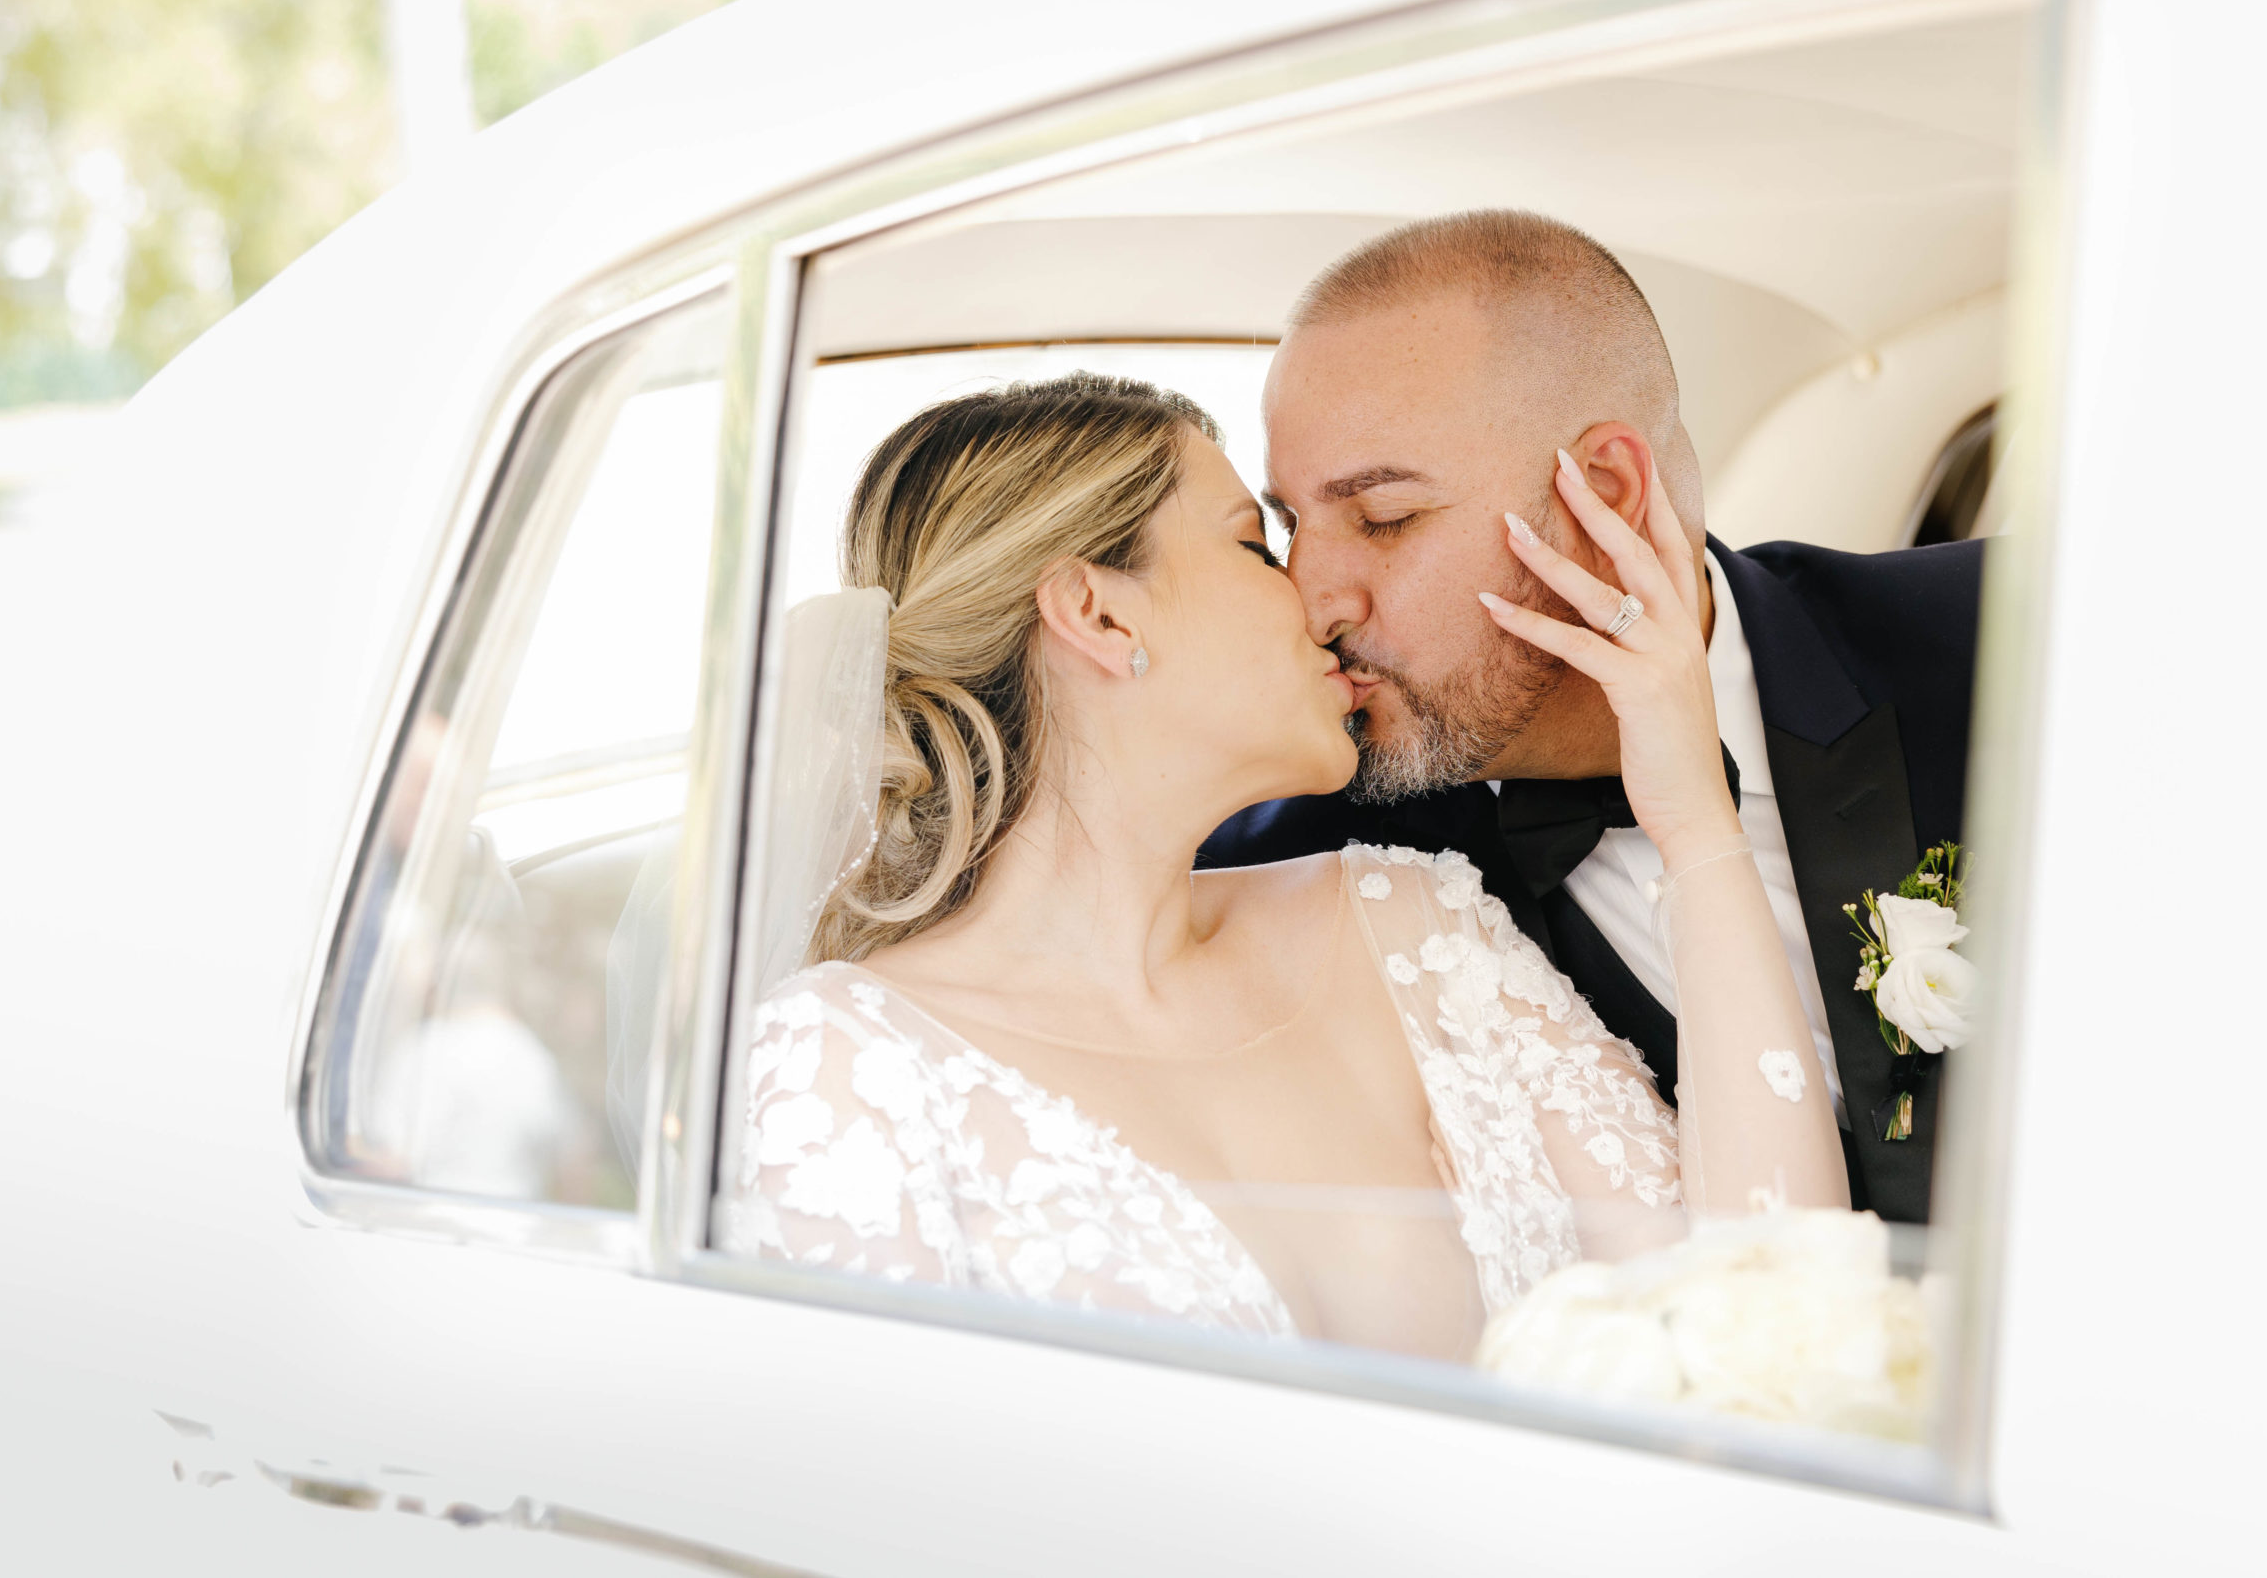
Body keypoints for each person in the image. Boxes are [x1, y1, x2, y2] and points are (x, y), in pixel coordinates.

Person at [726, 371, 1845, 1362]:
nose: (1316, 600)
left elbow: (1766, 1318)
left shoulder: (1414, 923)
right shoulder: (848, 1061)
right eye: (1255, 546)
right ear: (1097, 613)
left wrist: (1696, 825)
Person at [1202, 210, 1983, 1224]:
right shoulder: (1326, 870)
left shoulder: (2014, 643)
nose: (1314, 599)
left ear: (1599, 494)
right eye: (1293, 524)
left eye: (1383, 518)